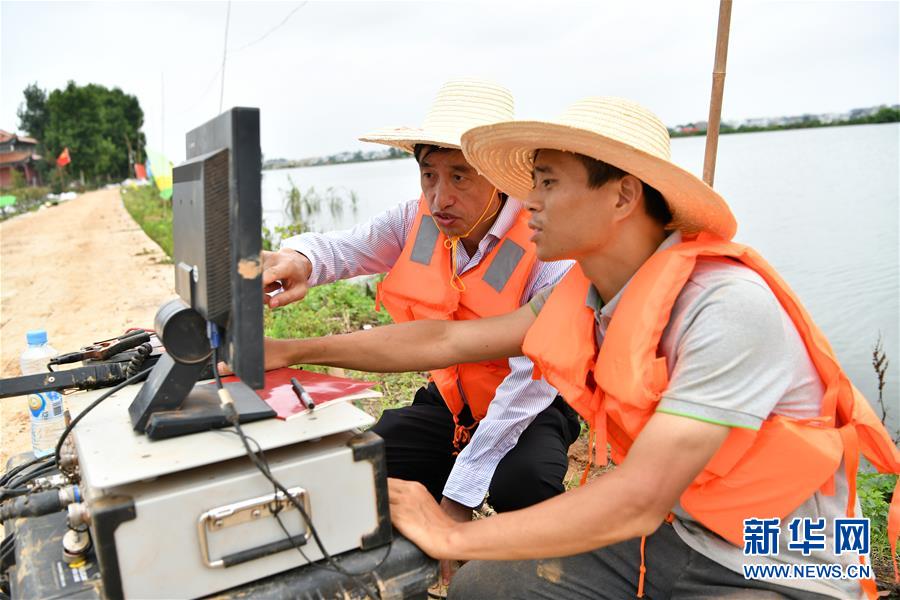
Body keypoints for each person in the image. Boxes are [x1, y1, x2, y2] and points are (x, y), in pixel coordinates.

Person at [268, 97, 900, 599]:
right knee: (487, 590)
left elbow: (639, 496)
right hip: (675, 530)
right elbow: (446, 337)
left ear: (623, 196)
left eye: (545, 181)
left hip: (781, 557)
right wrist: (293, 352)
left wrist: (445, 524)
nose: (530, 201)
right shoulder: (591, 289)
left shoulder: (727, 307)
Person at [260, 79, 579, 569]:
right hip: (451, 399)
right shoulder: (416, 220)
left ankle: (528, 572)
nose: (439, 197)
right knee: (370, 459)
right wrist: (299, 261)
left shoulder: (547, 242)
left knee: (525, 481)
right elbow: (344, 248)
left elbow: (529, 381)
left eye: (459, 177)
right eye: (429, 175)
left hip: (529, 402)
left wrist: (458, 499)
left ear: (499, 176)